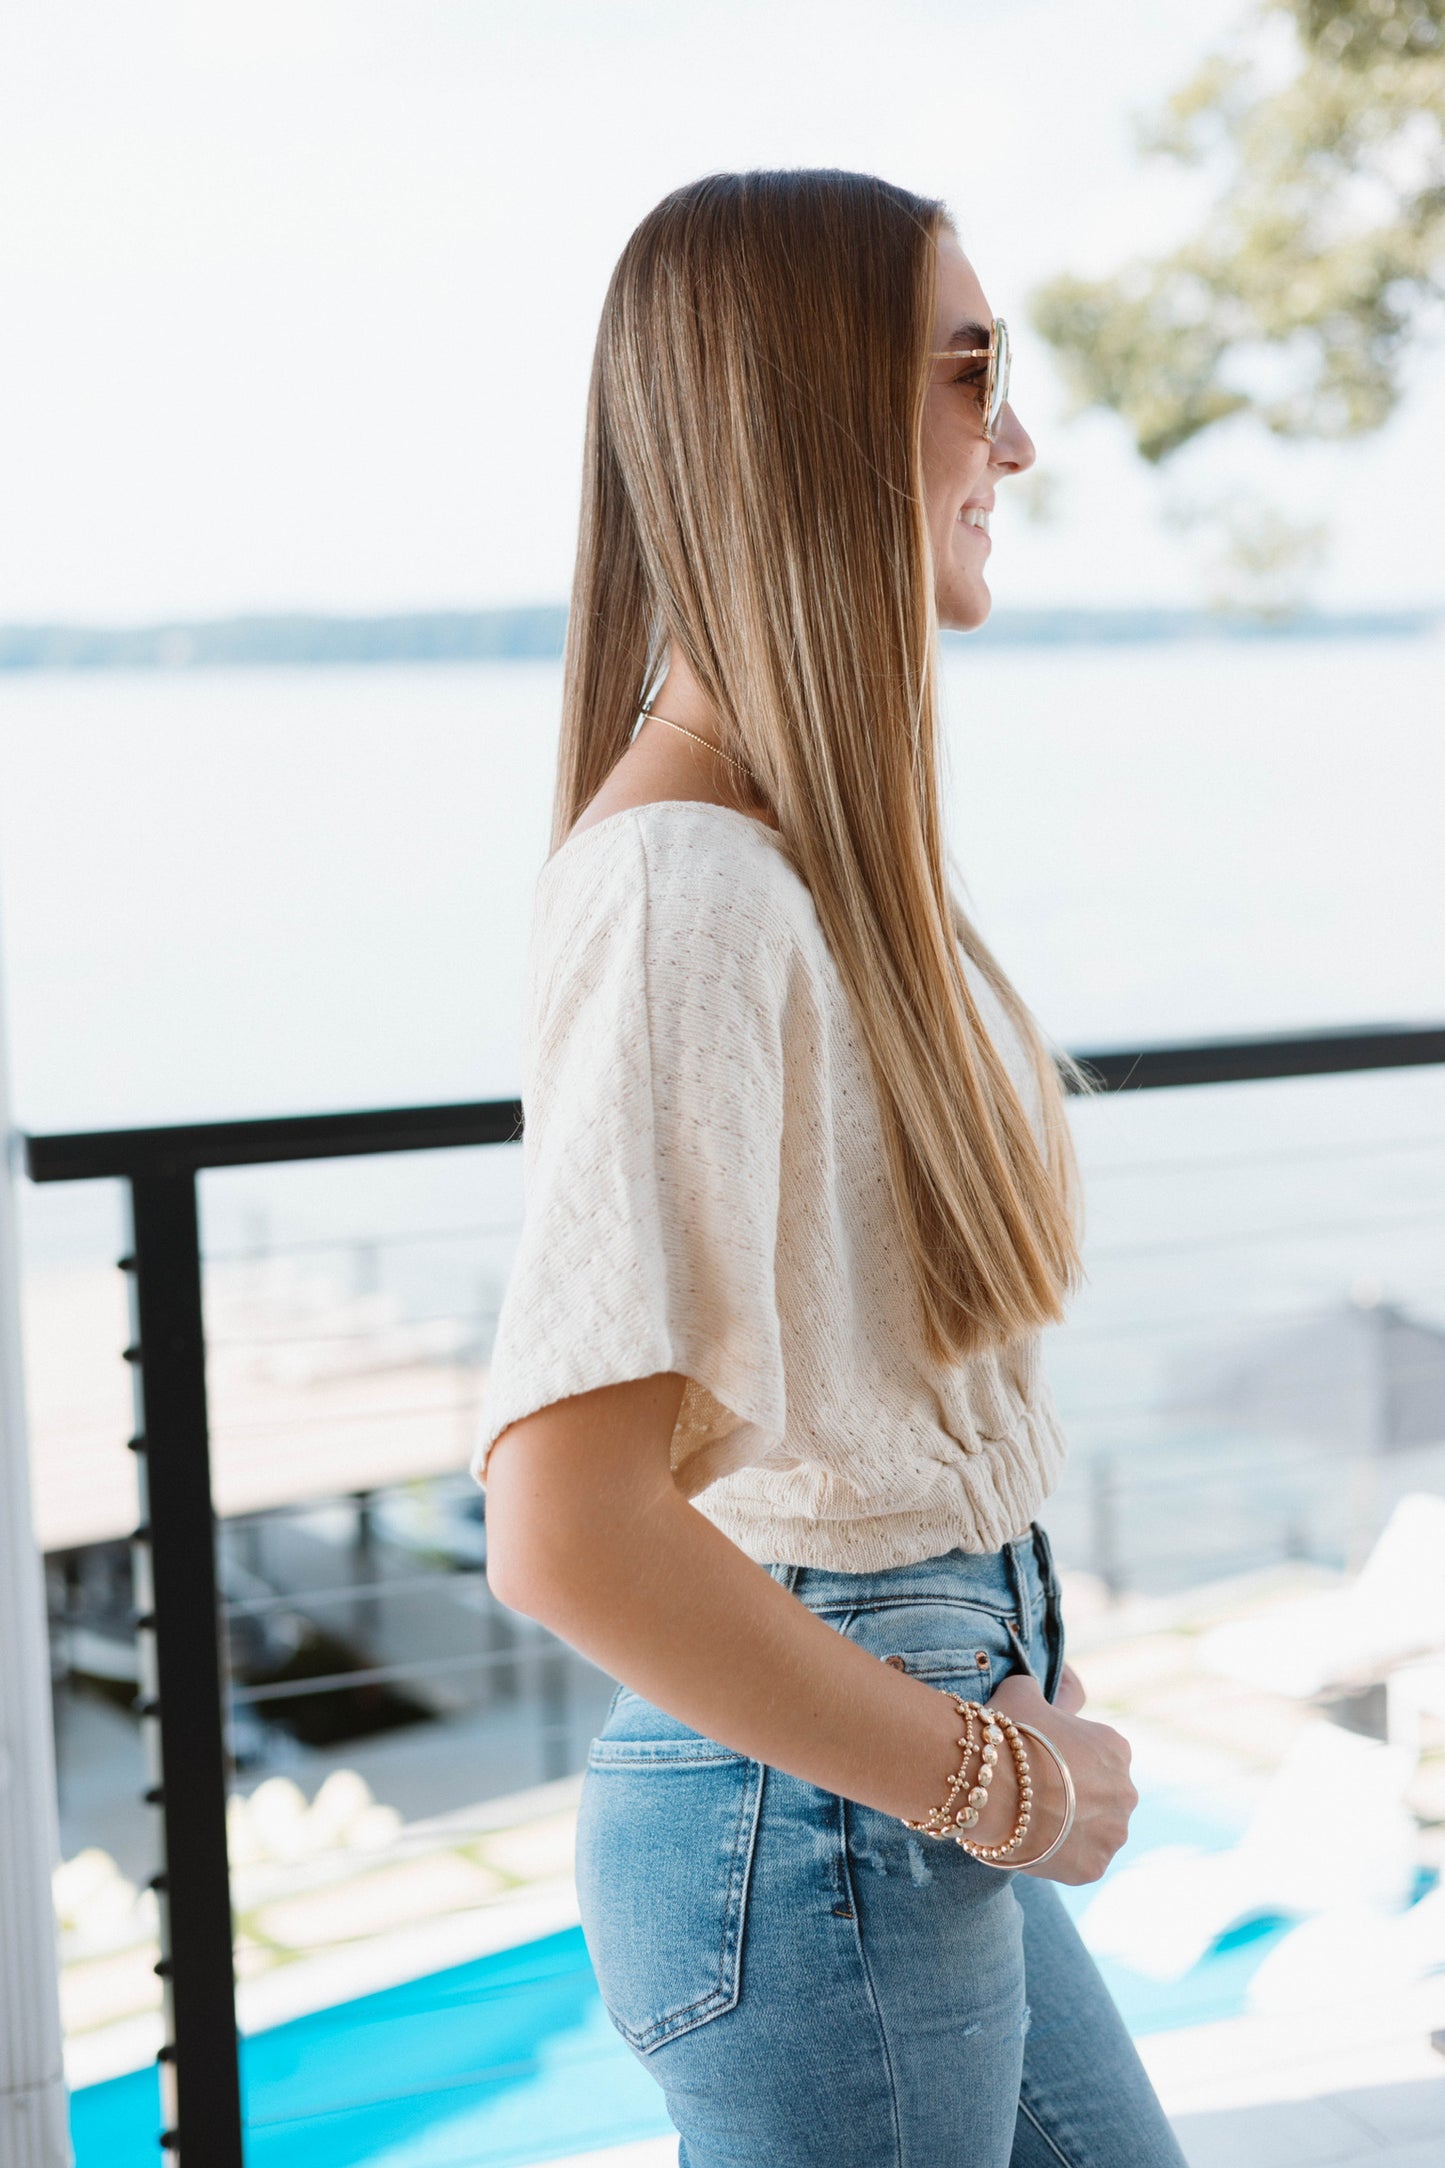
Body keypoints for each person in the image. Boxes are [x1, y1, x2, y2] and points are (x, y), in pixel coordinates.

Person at [475, 169, 1185, 2168]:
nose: (1016, 440)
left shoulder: (787, 861)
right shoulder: (684, 882)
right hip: (841, 1810)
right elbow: (570, 1525)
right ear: (809, 416)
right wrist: (993, 1779)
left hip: (881, 1780)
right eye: (970, 375)